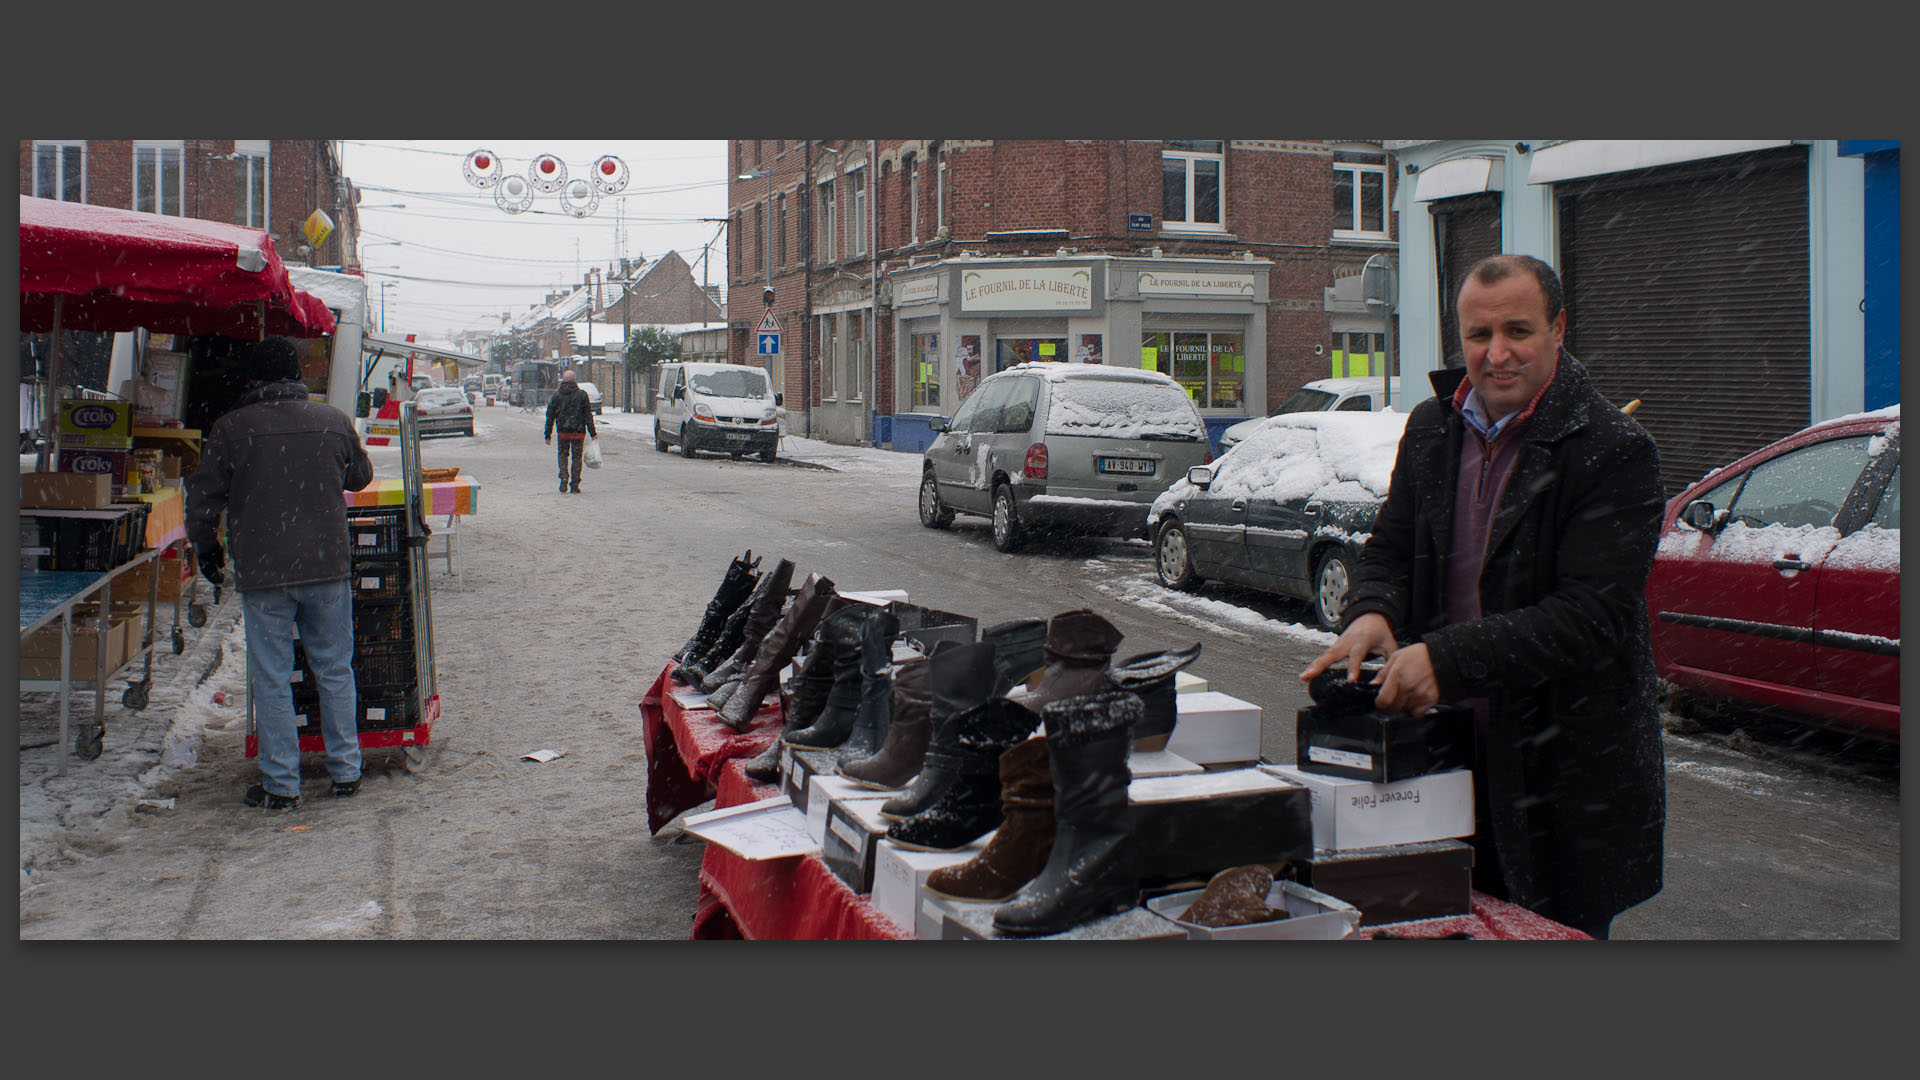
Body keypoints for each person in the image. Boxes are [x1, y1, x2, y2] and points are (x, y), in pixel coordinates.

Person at [1300, 254, 1667, 939]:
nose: (1496, 354)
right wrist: (1373, 610)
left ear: (1560, 328)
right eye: (1477, 335)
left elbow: (1592, 618)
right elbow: (1391, 547)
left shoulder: (1614, 451)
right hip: (1443, 759)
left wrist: (1444, 656)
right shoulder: (1433, 428)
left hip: (1562, 782)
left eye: (1517, 331)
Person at [187, 336, 375, 811]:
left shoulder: (231, 430)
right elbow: (360, 477)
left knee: (272, 677)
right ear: (298, 377)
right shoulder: (332, 422)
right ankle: (346, 771)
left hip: (264, 572)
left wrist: (208, 551)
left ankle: (281, 785)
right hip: (326, 565)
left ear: (254, 379)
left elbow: (202, 502)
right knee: (334, 668)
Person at [544, 368, 598, 493]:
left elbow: (550, 416)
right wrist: (593, 433)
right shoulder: (582, 395)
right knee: (577, 457)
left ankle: (563, 476)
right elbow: (588, 415)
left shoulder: (557, 396)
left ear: (563, 380)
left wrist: (548, 434)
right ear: (575, 380)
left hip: (563, 433)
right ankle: (575, 484)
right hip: (578, 433)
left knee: (562, 455)